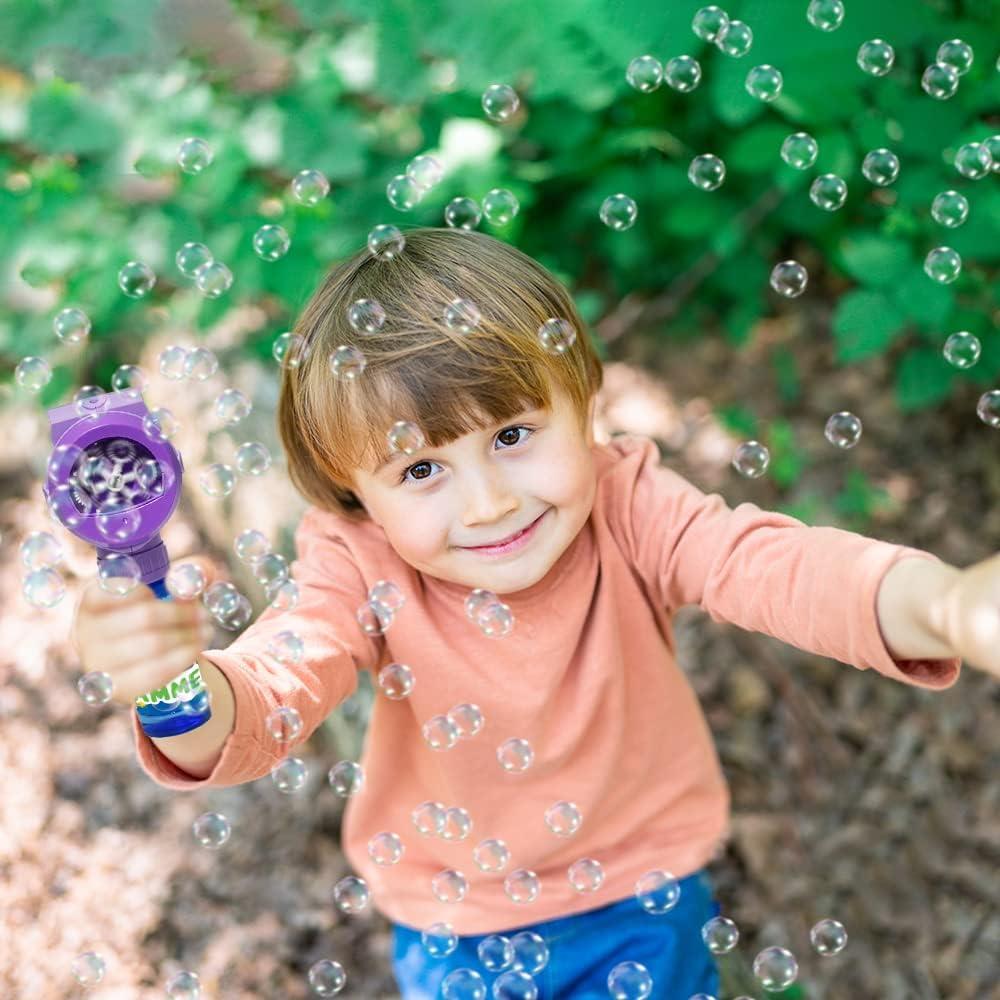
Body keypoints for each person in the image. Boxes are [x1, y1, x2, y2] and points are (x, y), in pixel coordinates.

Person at [72, 226, 965, 999]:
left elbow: (771, 565)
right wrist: (173, 686)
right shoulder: (360, 560)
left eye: (511, 435)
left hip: (641, 893)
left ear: (585, 402)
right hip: (455, 920)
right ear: (357, 497)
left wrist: (947, 605)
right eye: (421, 470)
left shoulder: (627, 504)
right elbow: (280, 679)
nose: (491, 501)